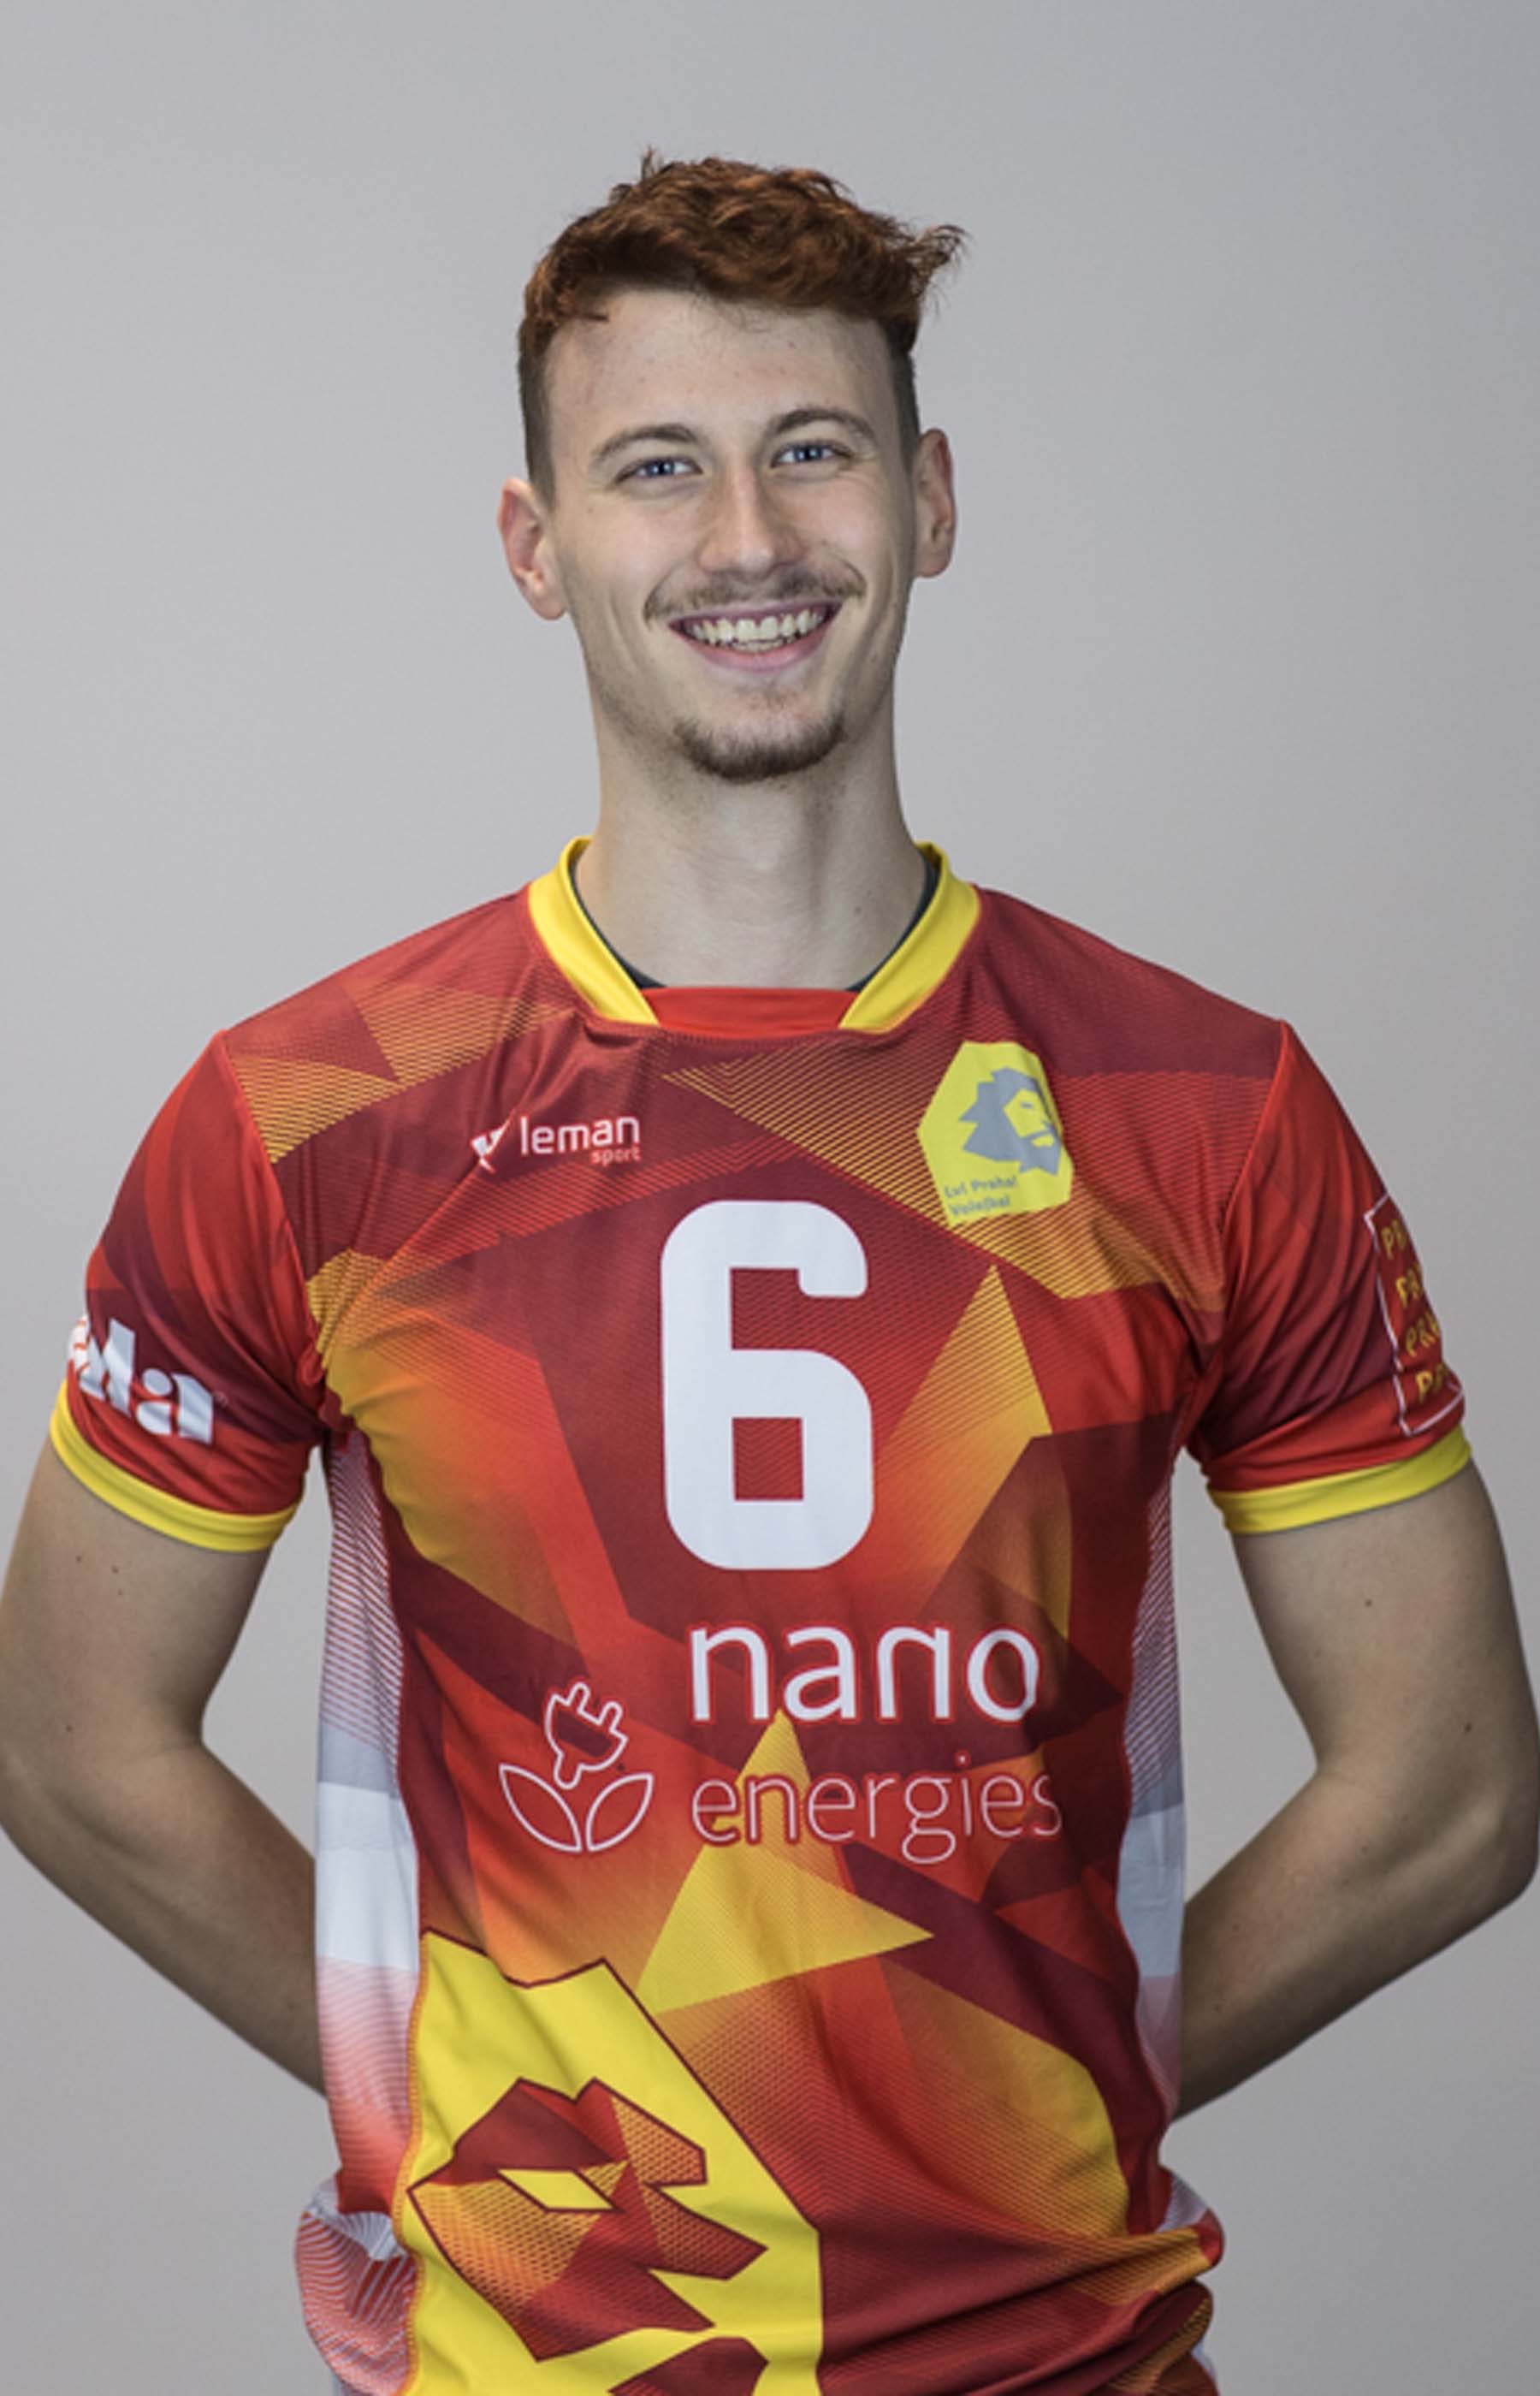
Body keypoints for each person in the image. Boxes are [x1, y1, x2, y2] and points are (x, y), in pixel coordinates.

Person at [0, 147, 1535, 2396]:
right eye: (656, 467)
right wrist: (448, 2102)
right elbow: (68, 1745)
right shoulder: (306, 1117)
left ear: (931, 498)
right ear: (535, 544)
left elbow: (1455, 1789)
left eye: (813, 450)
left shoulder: (1211, 1106)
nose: (745, 538)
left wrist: (1038, 2096)